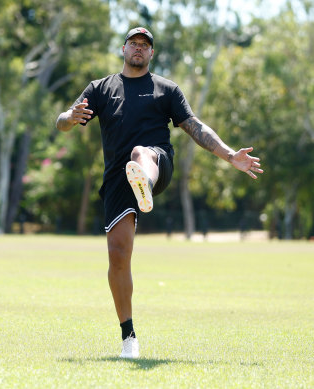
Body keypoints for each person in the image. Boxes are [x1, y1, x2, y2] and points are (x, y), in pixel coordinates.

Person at [56, 27, 263, 359]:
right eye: (134, 44)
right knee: (118, 255)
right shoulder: (101, 89)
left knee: (141, 153)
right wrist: (70, 117)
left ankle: (145, 185)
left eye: (145, 46)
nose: (139, 49)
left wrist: (229, 155)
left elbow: (195, 127)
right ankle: (129, 337)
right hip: (116, 180)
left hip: (157, 164)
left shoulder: (166, 89)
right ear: (123, 49)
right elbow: (63, 120)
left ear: (152, 54)